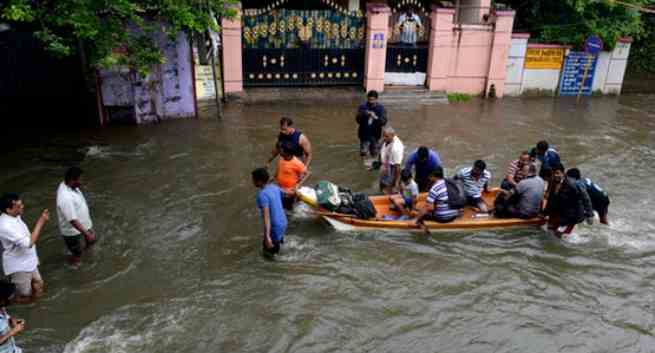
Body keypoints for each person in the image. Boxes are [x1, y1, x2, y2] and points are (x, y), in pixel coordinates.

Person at [0, 193, 48, 303]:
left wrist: (35, 259)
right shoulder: (5, 226)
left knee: (39, 286)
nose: (22, 206)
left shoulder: (15, 216)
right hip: (19, 266)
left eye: (21, 204)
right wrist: (41, 221)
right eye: (19, 206)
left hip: (29, 261)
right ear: (8, 210)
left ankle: (39, 308)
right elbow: (29, 243)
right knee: (24, 296)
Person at [56, 167, 96, 265]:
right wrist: (87, 234)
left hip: (84, 226)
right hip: (72, 233)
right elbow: (73, 220)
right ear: (72, 180)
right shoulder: (65, 197)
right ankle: (75, 269)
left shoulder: (70, 186)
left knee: (91, 243)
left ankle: (87, 257)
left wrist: (88, 230)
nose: (82, 181)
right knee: (77, 254)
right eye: (80, 179)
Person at [544, 163, 594, 238]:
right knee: (549, 230)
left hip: (573, 216)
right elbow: (551, 199)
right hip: (561, 213)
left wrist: (589, 215)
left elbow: (585, 198)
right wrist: (544, 213)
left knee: (558, 234)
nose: (555, 175)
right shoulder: (553, 183)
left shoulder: (573, 184)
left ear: (563, 173)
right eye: (553, 173)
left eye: (557, 173)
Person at [253, 168, 288, 256]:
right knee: (279, 244)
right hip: (283, 222)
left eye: (254, 180)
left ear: (259, 181)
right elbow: (286, 193)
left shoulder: (262, 195)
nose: (253, 182)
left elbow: (267, 217)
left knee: (269, 255)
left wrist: (267, 236)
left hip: (275, 226)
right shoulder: (274, 187)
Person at [275, 142, 310, 210]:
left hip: (290, 192)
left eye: (281, 150)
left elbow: (307, 174)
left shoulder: (296, 163)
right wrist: (273, 177)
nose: (279, 151)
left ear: (287, 152)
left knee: (288, 210)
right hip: (281, 188)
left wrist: (298, 185)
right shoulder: (281, 158)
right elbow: (279, 168)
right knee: (281, 207)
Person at [356, 90, 387, 158]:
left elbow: (384, 122)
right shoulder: (363, 107)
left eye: (373, 100)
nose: (371, 102)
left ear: (376, 99)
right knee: (363, 154)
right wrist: (364, 114)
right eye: (369, 99)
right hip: (364, 134)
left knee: (374, 154)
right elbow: (357, 120)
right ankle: (363, 166)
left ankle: (373, 166)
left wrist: (375, 117)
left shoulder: (381, 108)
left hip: (375, 135)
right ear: (367, 98)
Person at [0, 280, 26, 352]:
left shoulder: (2, 308)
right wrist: (12, 332)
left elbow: (7, 318)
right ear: (2, 300)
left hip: (13, 349)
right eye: (10, 296)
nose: (13, 298)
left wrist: (13, 321)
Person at [379, 126, 405, 194]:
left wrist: (396, 182)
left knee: (390, 187)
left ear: (393, 136)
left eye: (386, 136)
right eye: (383, 136)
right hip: (386, 164)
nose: (384, 138)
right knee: (382, 184)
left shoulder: (396, 148)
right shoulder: (387, 140)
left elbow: (397, 167)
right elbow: (383, 150)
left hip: (393, 167)